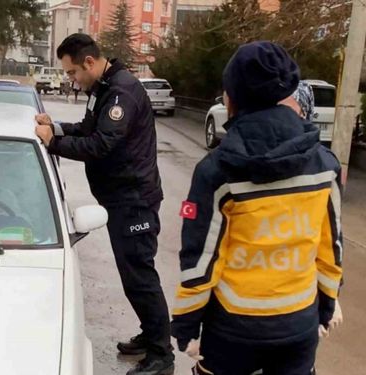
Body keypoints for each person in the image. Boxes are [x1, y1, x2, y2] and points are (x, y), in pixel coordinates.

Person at [171, 41, 343, 375]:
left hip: (234, 330)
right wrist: (327, 303)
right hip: (299, 324)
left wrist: (186, 325)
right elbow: (330, 247)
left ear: (230, 98)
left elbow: (201, 260)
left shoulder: (216, 172)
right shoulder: (325, 164)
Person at [34, 33, 173, 375]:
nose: (71, 80)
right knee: (133, 276)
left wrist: (54, 144)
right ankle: (151, 333)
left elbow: (100, 145)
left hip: (134, 200)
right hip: (120, 198)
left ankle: (161, 355)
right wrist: (58, 127)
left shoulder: (120, 93)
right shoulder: (103, 89)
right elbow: (87, 128)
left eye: (72, 73)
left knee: (140, 277)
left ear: (90, 63)